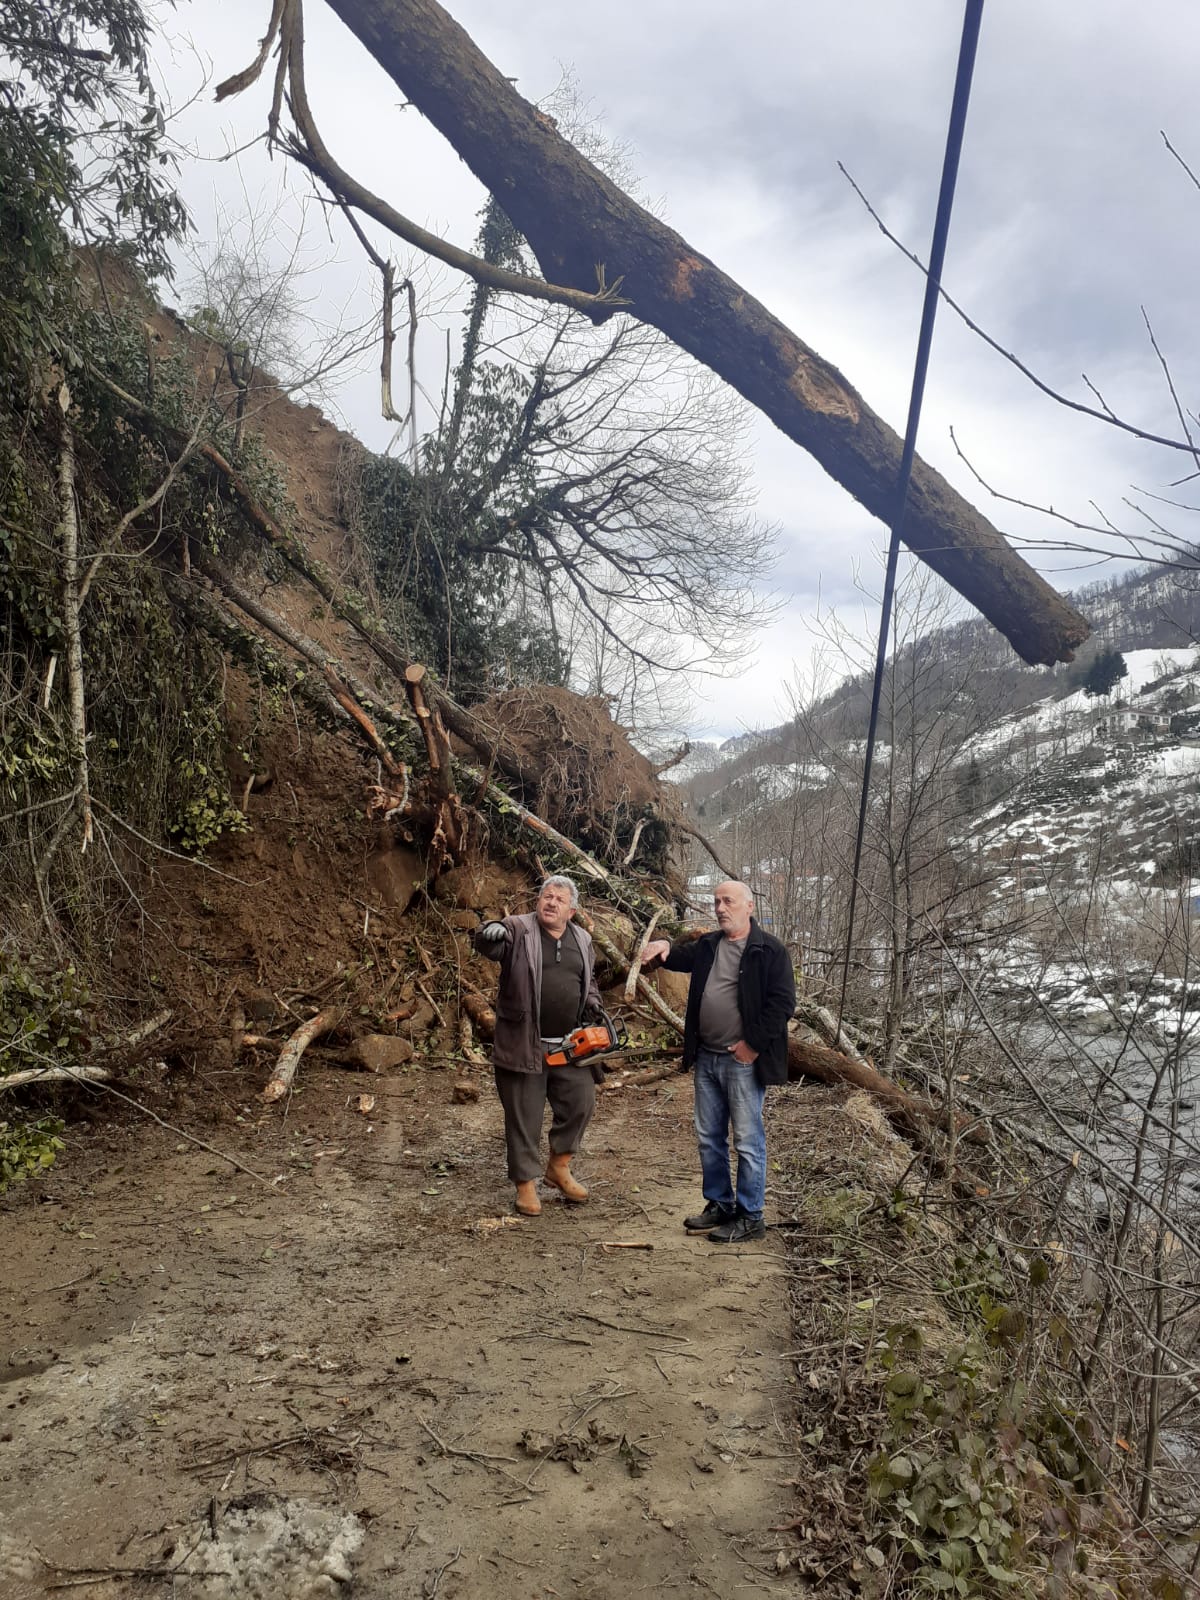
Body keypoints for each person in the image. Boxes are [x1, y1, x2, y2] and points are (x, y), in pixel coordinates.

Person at [642, 881, 796, 1244]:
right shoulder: (710, 945)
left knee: (746, 1139)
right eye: (716, 902)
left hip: (741, 1062)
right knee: (709, 1137)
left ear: (749, 906)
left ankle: (750, 1215)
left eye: (728, 901)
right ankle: (720, 1204)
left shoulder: (769, 950)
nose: (721, 907)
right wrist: (664, 944)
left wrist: (752, 1046)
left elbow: (782, 1004)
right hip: (707, 1057)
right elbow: (677, 958)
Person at [474, 875, 603, 1217]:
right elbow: (491, 943)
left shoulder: (582, 938)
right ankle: (526, 1185)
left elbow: (588, 981)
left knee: (581, 1102)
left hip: (569, 1046)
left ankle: (558, 1166)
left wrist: (593, 1004)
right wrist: (490, 932)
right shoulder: (518, 928)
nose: (551, 902)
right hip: (524, 1044)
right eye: (547, 896)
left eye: (559, 899)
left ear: (572, 911)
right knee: (524, 1117)